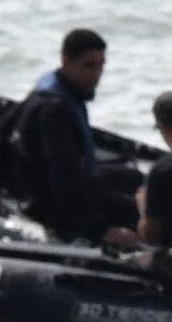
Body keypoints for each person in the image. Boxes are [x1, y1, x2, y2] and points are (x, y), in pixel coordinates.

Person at [12, 26, 123, 240]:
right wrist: (103, 231)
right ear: (65, 61)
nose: (96, 75)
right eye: (89, 66)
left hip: (76, 187)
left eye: (101, 66)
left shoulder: (61, 90)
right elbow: (65, 181)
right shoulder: (53, 111)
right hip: (54, 210)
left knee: (133, 178)